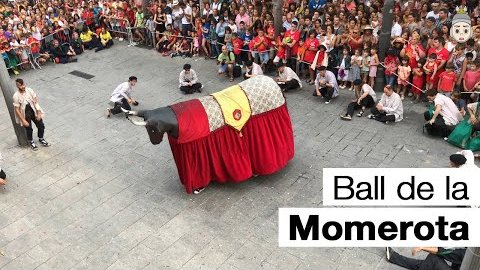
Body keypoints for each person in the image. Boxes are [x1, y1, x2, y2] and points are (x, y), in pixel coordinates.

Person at [12, 78, 49, 150]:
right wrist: (23, 120)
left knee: (41, 125)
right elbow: (17, 109)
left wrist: (38, 113)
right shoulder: (16, 96)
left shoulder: (30, 90)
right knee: (29, 129)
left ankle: (41, 138)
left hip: (33, 110)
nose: (22, 87)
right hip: (25, 113)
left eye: (23, 84)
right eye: (20, 85)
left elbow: (35, 101)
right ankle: (31, 141)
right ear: (17, 86)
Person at [386, 247, 466, 270]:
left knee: (434, 259)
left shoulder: (470, 254)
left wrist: (422, 247)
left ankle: (393, 257)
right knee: (426, 264)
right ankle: (393, 257)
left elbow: (443, 252)